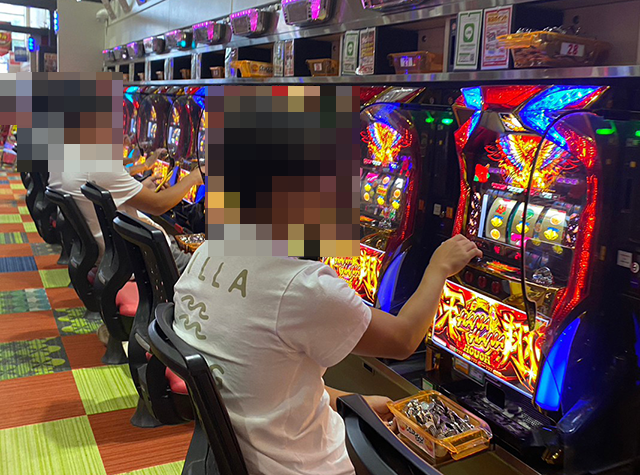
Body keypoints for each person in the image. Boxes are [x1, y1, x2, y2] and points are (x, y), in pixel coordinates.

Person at [172, 235, 482, 475]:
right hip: (299, 465)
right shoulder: (302, 286)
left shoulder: (209, 251)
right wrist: (439, 267)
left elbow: (252, 377)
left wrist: (351, 402)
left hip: (226, 454)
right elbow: (403, 340)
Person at [58, 163, 203, 273]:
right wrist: (194, 177)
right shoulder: (102, 167)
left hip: (114, 252)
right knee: (207, 269)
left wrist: (138, 189)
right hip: (143, 257)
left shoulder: (75, 164)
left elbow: (112, 195)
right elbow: (158, 206)